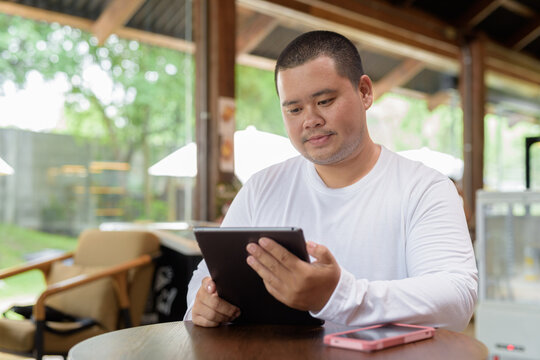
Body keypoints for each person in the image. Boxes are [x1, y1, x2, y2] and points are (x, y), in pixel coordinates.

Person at [184, 30, 478, 331]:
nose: (310, 120)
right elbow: (205, 278)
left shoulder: (424, 188)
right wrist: (203, 304)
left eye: (324, 101)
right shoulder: (261, 188)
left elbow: (456, 297)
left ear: (364, 92)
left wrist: (338, 296)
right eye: (294, 109)